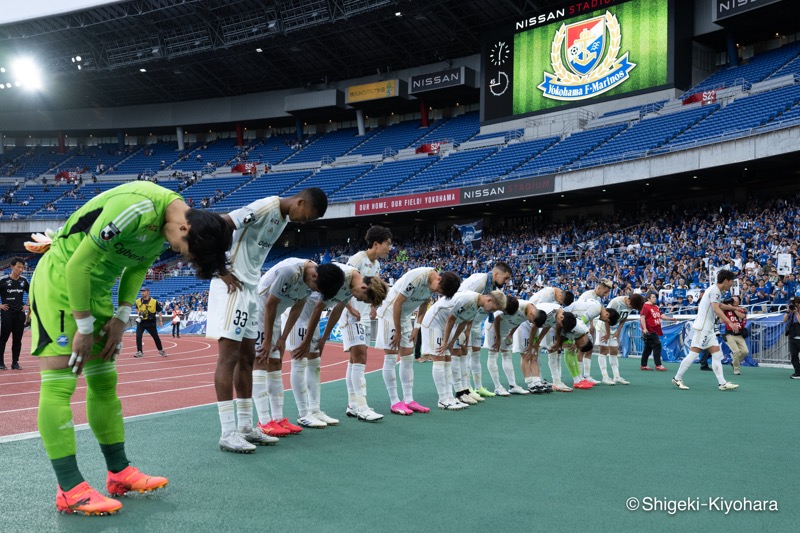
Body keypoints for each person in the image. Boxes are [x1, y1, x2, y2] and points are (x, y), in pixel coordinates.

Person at [26, 181, 231, 516]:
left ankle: (119, 472)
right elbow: (78, 264)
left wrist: (122, 316)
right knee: (62, 379)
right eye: (182, 248)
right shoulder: (136, 208)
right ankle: (69, 488)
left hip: (98, 287)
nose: (178, 252)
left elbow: (137, 267)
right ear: (184, 227)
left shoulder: (171, 225)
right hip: (63, 283)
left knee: (104, 379)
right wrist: (83, 325)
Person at [205, 188, 327, 453]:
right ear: (300, 202)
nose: (302, 222)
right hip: (231, 286)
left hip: (250, 287)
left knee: (249, 357)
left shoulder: (282, 219)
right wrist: (219, 268)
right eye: (305, 217)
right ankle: (228, 431)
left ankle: (247, 427)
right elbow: (220, 223)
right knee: (229, 357)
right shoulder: (264, 206)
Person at [251, 258, 345, 444]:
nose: (314, 291)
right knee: (262, 360)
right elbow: (269, 305)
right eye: (315, 288)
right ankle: (263, 420)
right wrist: (269, 340)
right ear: (314, 275)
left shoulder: (313, 278)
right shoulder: (289, 272)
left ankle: (277, 419)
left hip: (275, 315)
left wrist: (284, 337)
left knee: (276, 363)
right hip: (259, 312)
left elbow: (298, 306)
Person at [285, 262, 387, 428]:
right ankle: (303, 414)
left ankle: (315, 410)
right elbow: (319, 307)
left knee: (315, 363)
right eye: (363, 298)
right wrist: (306, 341)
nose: (358, 300)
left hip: (311, 317)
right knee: (299, 361)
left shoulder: (353, 283)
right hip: (300, 314)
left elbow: (338, 309)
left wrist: (324, 338)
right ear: (364, 288)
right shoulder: (343, 277)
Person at [375, 267, 461, 415]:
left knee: (408, 357)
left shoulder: (434, 285)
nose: (436, 293)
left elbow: (423, 305)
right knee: (391, 356)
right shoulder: (417, 277)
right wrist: (398, 331)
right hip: (390, 313)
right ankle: (395, 401)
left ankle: (408, 400)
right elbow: (397, 303)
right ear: (439, 279)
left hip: (405, 316)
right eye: (438, 290)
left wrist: (417, 327)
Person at [423, 289, 506, 409]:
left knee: (447, 360)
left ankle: (450, 397)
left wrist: (452, 341)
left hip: (445, 325)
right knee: (439, 359)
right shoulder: (468, 299)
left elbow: (463, 322)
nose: (491, 312)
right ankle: (442, 399)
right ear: (489, 300)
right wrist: (446, 341)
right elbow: (451, 319)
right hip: (434, 322)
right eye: (493, 309)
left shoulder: (477, 306)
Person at [342, 226, 393, 422]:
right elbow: (343, 283)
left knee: (354, 360)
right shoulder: (357, 260)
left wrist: (373, 305)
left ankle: (353, 404)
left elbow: (375, 289)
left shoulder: (377, 265)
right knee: (361, 356)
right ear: (376, 244)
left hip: (362, 314)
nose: (390, 248)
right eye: (387, 244)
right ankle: (362, 406)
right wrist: (349, 308)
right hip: (351, 314)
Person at [673, 270, 741, 391]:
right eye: (731, 282)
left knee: (716, 354)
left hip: (708, 329)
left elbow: (718, 305)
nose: (732, 284)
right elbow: (716, 309)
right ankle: (677, 378)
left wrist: (734, 308)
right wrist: (730, 322)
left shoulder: (715, 290)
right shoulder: (715, 290)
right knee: (693, 354)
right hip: (703, 328)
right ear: (726, 281)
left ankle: (722, 383)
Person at [454, 262, 512, 399]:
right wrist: (465, 328)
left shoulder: (492, 286)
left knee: (475, 354)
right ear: (496, 274)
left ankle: (478, 387)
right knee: (464, 354)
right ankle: (465, 389)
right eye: (506, 278)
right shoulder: (479, 281)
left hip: (476, 322)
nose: (507, 282)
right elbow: (463, 302)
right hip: (463, 321)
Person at [595, 293, 644, 385]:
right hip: (604, 326)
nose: (632, 308)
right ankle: (605, 377)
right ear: (629, 300)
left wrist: (618, 332)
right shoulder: (616, 302)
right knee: (603, 351)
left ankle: (616, 376)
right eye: (632, 306)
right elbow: (606, 316)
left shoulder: (632, 305)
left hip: (614, 327)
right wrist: (608, 333)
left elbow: (623, 318)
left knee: (614, 351)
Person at [0, 258, 30, 370]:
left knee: (17, 340)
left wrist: (28, 305)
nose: (20, 270)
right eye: (18, 267)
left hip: (20, 314)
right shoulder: (3, 281)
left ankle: (15, 363)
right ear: (12, 267)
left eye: (22, 267)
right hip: (7, 314)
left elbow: (31, 293)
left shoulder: (24, 281)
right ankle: (1, 363)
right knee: (3, 339)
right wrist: (0, 306)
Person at [640, 291, 668, 371]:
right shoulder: (645, 306)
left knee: (648, 348)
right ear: (648, 298)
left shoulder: (656, 307)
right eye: (653, 297)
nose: (655, 298)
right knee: (657, 345)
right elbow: (642, 318)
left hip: (655, 330)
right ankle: (658, 365)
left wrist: (670, 319)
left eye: (655, 297)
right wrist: (644, 329)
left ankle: (643, 365)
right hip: (649, 330)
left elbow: (661, 315)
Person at [133, 288, 165, 358]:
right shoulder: (138, 301)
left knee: (155, 337)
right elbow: (136, 308)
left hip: (150, 322)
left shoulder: (154, 301)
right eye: (141, 291)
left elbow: (159, 311)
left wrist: (161, 321)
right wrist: (138, 312)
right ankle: (140, 352)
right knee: (138, 336)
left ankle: (161, 350)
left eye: (144, 291)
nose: (142, 293)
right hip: (141, 322)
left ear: (148, 292)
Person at [723, 296, 749, 376]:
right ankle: (736, 369)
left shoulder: (742, 309)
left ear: (738, 301)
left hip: (739, 334)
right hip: (729, 334)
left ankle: (733, 362)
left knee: (745, 351)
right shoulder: (727, 308)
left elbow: (741, 316)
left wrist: (733, 308)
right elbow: (721, 316)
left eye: (735, 299)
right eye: (732, 298)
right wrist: (726, 305)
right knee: (736, 351)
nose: (733, 300)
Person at [783, 296, 800, 379]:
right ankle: (797, 372)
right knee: (794, 355)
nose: (793, 305)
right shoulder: (790, 311)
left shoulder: (797, 312)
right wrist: (788, 311)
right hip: (792, 335)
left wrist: (796, 313)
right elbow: (784, 320)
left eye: (795, 303)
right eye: (792, 303)